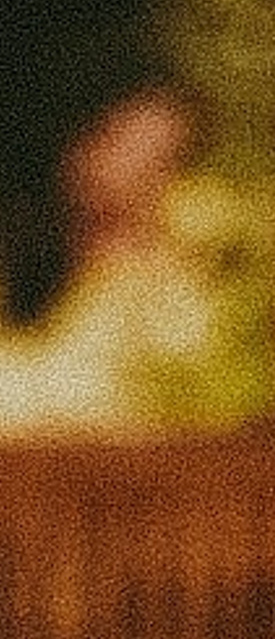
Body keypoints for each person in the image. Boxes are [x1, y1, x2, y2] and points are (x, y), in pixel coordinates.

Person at [0, 92, 220, 430]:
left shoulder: (178, 286)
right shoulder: (98, 281)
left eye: (115, 141)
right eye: (107, 134)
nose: (89, 158)